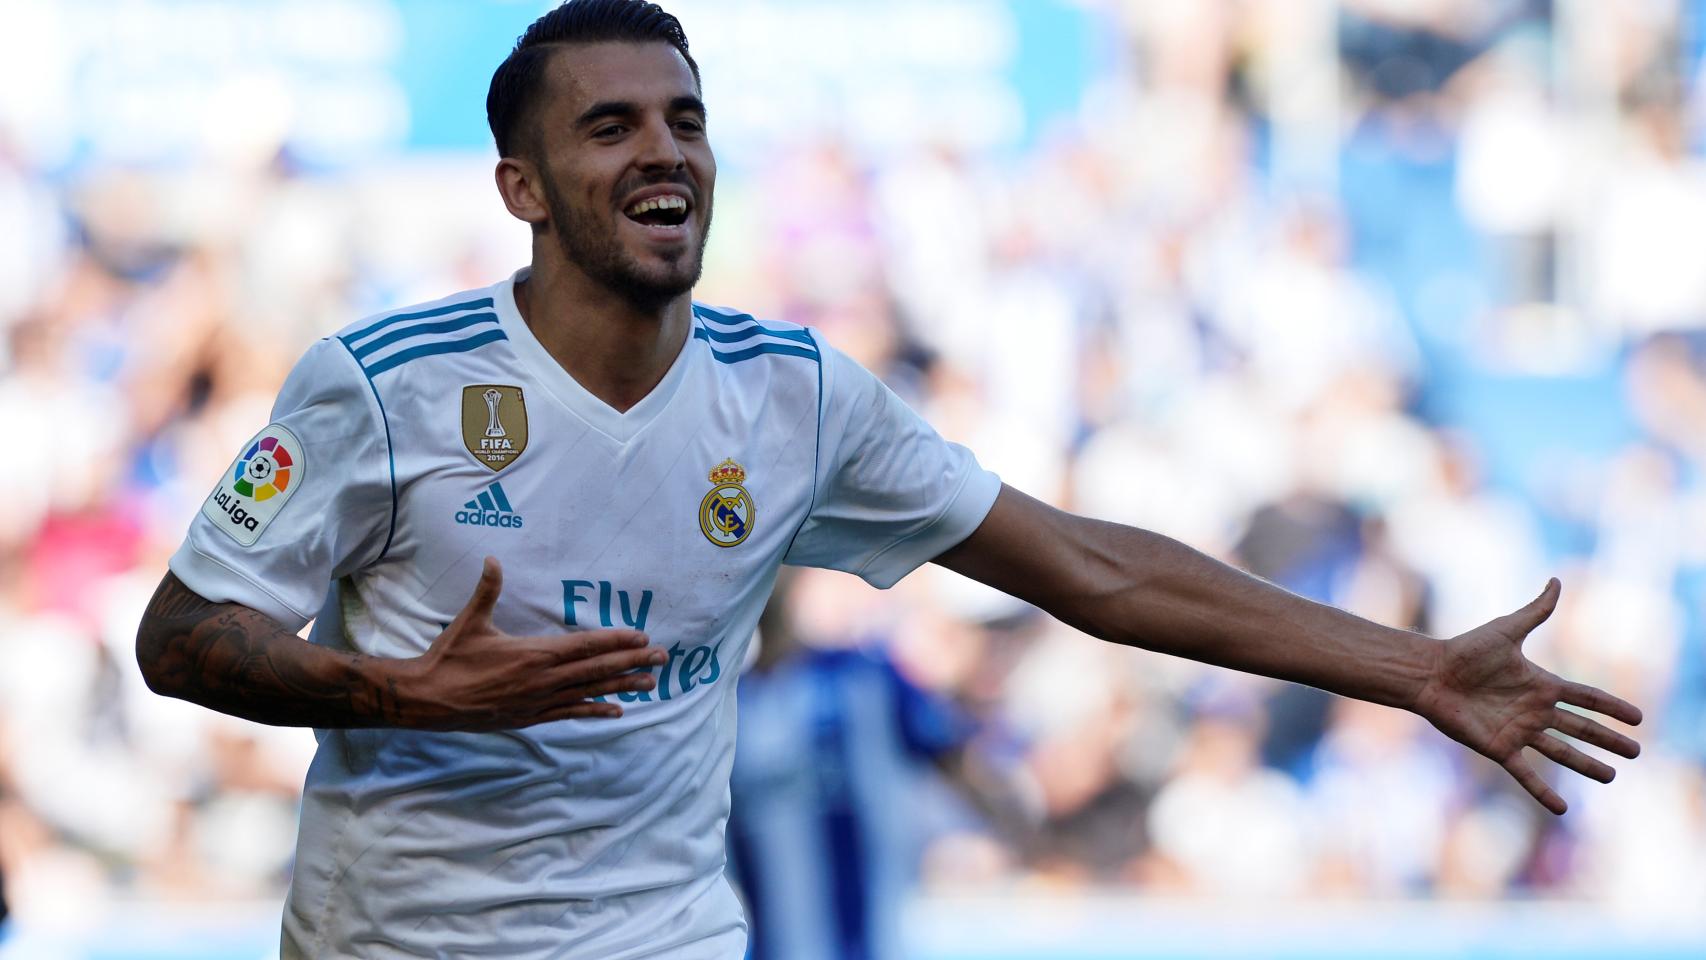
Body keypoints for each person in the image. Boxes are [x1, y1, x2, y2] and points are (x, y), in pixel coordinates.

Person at [133, 1, 1643, 957]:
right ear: (521, 190)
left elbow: (1091, 570)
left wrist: (1413, 670)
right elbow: (178, 638)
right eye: (610, 127)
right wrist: (401, 693)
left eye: (685, 119)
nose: (665, 151)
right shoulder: (381, 386)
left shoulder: (788, 396)